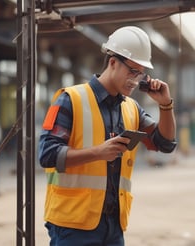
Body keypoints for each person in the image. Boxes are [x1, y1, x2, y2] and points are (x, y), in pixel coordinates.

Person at [38, 26, 177, 246]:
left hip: (113, 226)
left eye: (140, 73)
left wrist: (165, 105)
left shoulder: (132, 108)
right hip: (72, 225)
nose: (135, 79)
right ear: (113, 63)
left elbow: (165, 143)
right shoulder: (70, 99)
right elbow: (47, 155)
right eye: (132, 71)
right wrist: (98, 152)